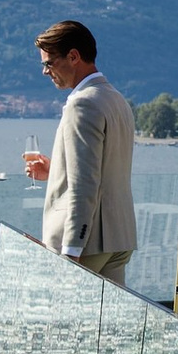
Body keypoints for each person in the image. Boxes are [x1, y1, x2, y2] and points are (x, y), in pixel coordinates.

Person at [35, 20, 138, 288]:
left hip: (87, 243)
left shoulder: (82, 104)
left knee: (65, 325)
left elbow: (85, 185)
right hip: (118, 237)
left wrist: (71, 249)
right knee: (107, 326)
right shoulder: (116, 99)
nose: (46, 72)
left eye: (48, 63)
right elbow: (105, 167)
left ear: (73, 56)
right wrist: (55, 170)